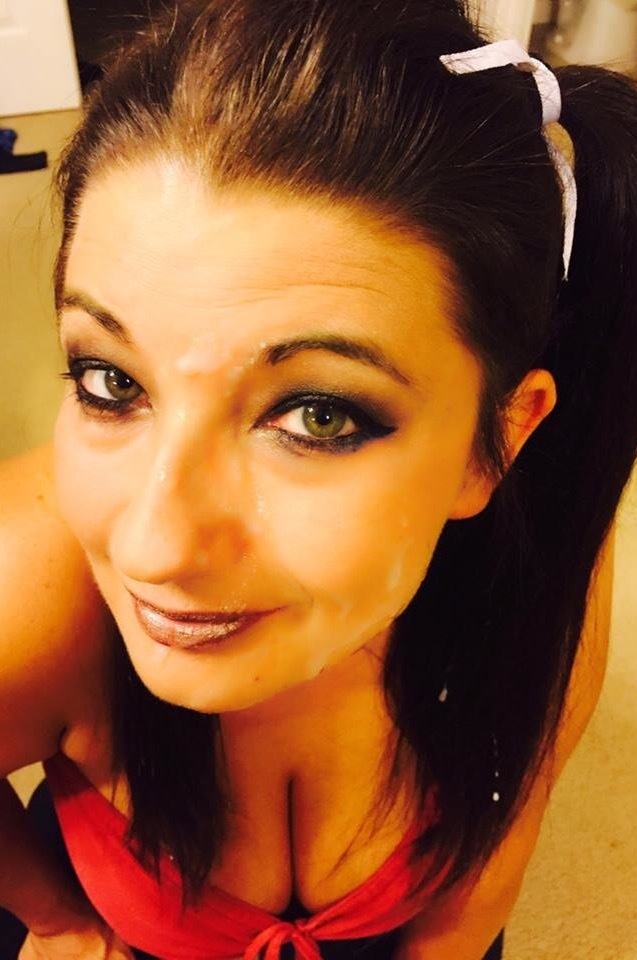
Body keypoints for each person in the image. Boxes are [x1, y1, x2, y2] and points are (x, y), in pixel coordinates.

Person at [0, 0, 631, 957]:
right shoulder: (33, 587)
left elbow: (510, 820)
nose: (152, 548)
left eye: (318, 416)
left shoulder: (541, 561)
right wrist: (57, 915)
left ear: (497, 441)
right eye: (111, 382)